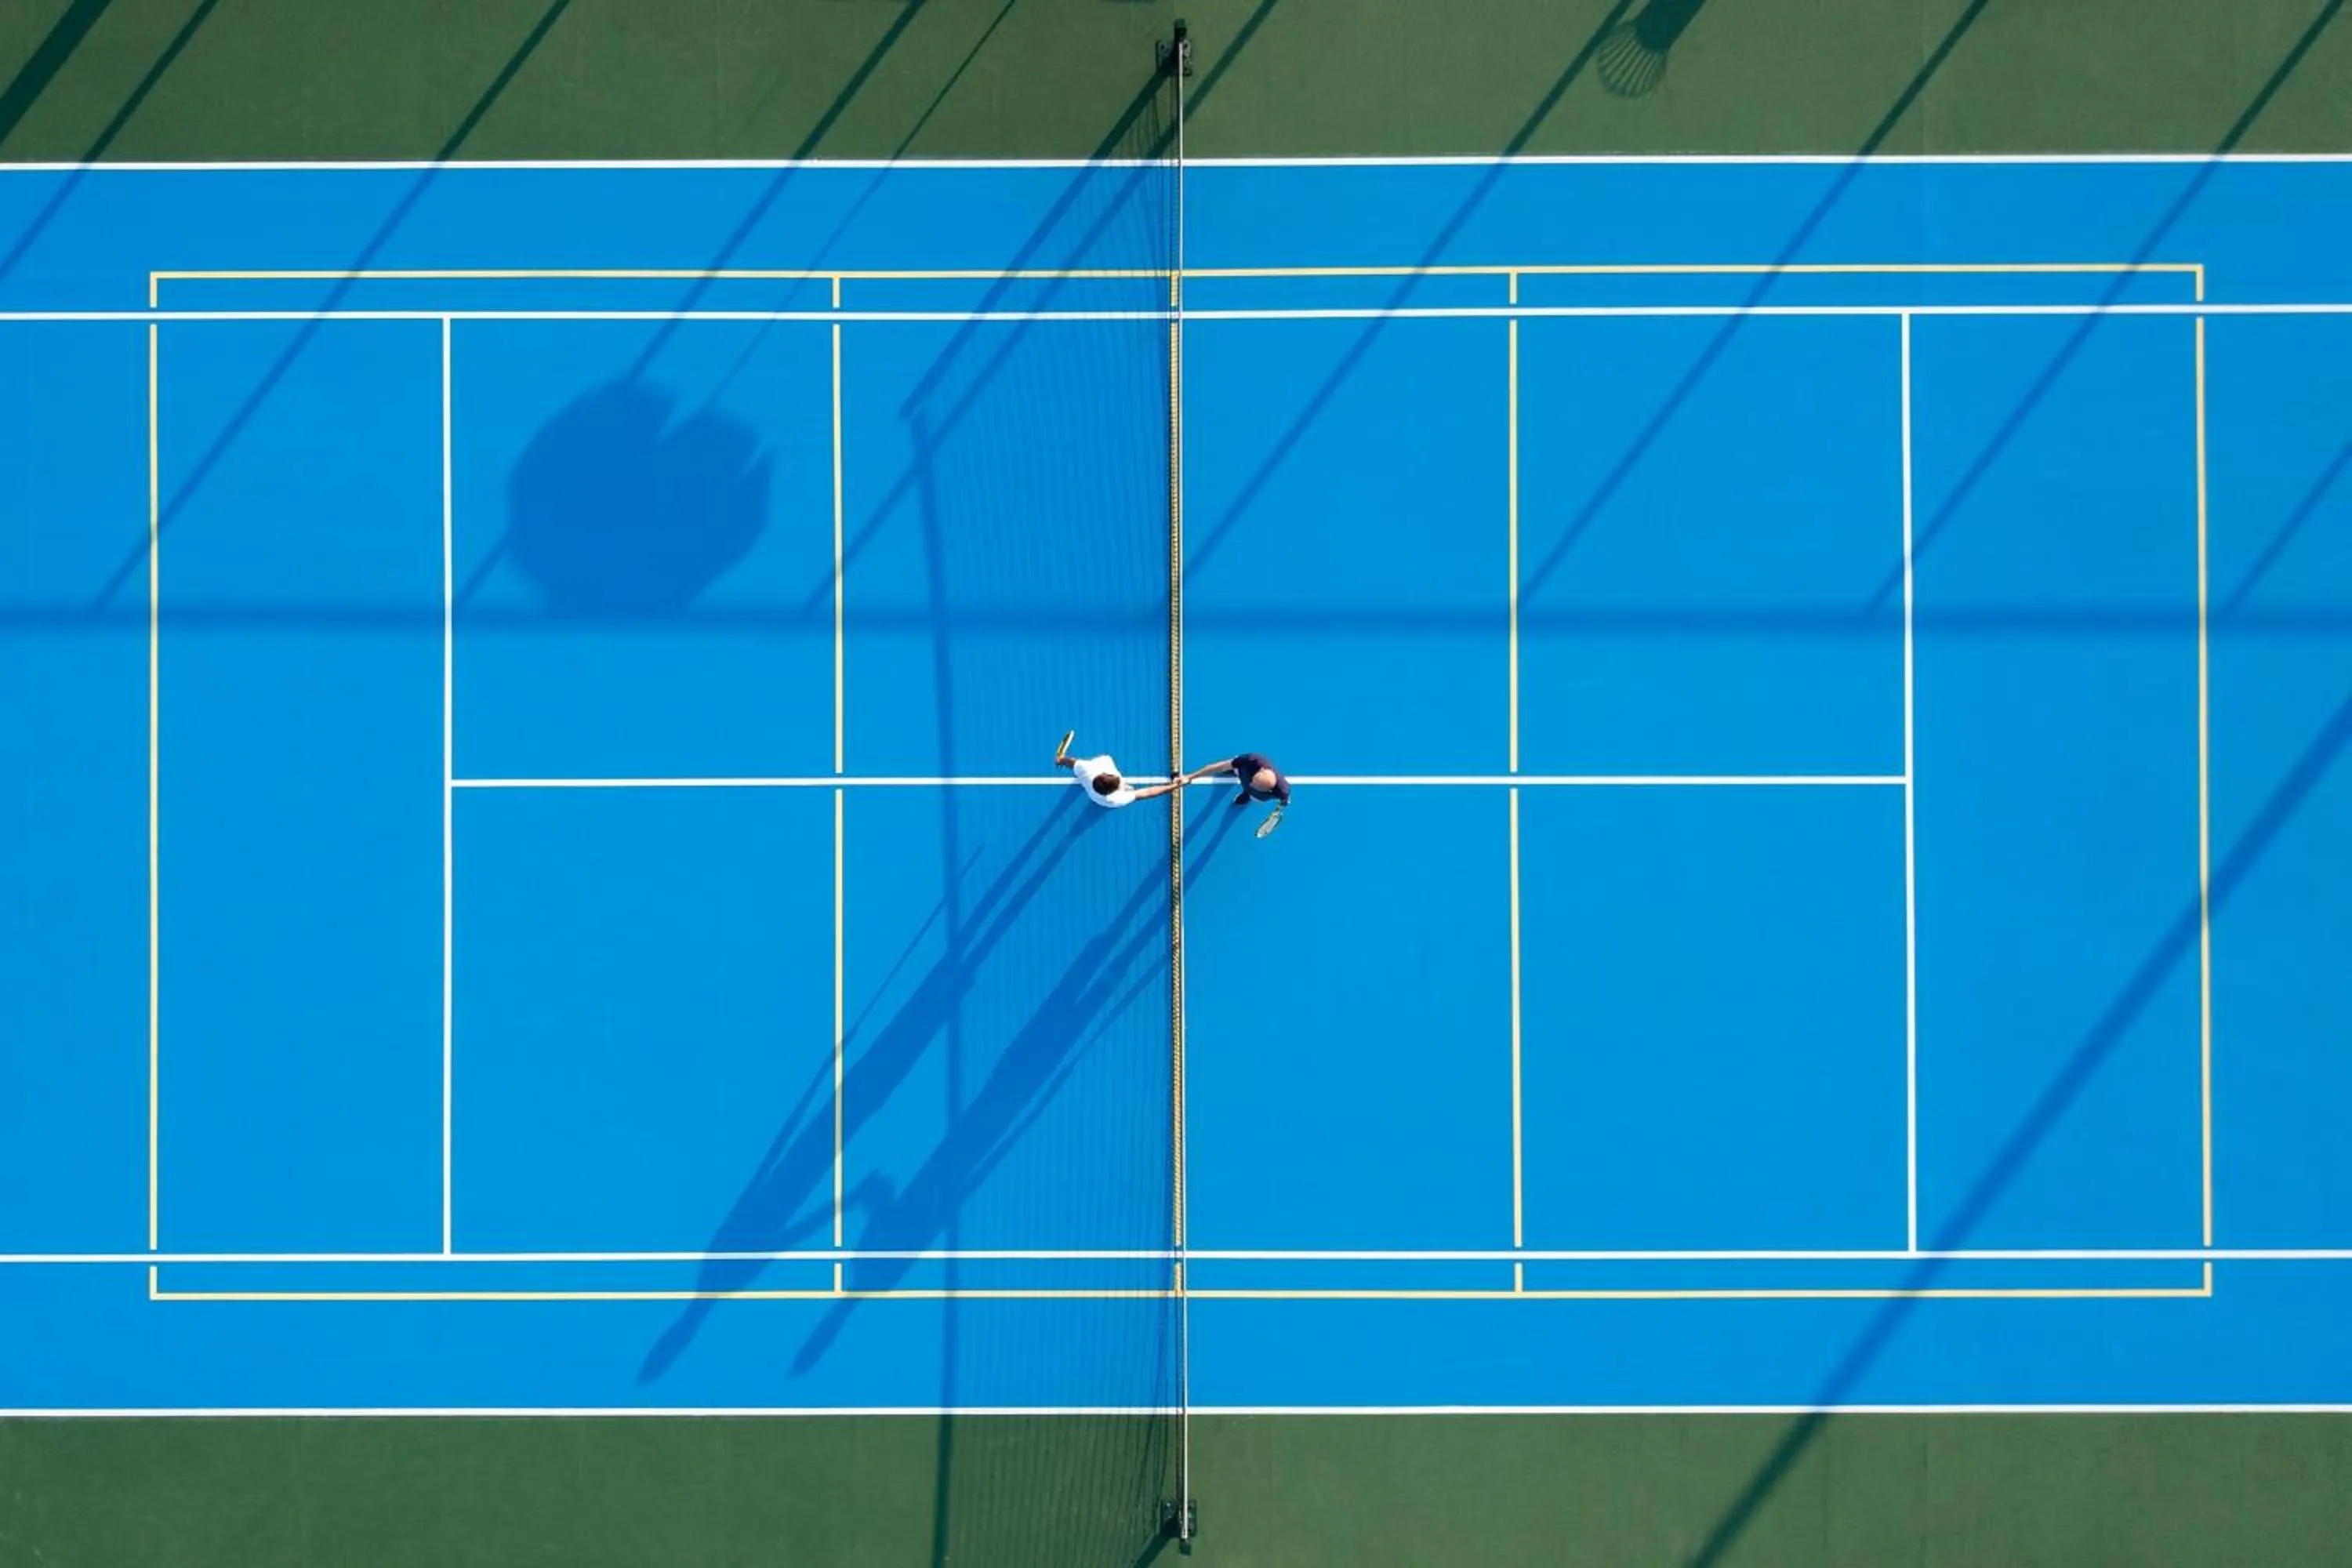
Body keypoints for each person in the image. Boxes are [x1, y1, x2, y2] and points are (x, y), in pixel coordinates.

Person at [1054, 730, 1179, 808]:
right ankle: (1124, 786)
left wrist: (1060, 759)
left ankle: (1124, 786)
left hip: (1096, 797)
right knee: (1106, 760)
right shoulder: (1117, 800)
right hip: (1103, 798)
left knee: (1083, 763)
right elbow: (1148, 793)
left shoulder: (1087, 768)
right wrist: (1174, 786)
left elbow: (1070, 762)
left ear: (1101, 775)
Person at [1185, 751, 1290, 813]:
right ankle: (1233, 770)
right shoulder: (1251, 760)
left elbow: (1284, 800)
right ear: (1261, 770)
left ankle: (1247, 795)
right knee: (1236, 767)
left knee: (1255, 796)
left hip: (1257, 795)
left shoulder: (1283, 791)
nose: (1251, 784)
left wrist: (1283, 804)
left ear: (1270, 790)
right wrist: (1190, 777)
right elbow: (1217, 767)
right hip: (1244, 771)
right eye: (1254, 781)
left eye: (1255, 786)